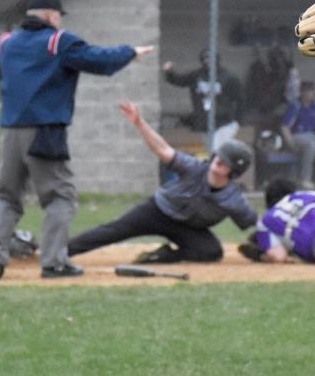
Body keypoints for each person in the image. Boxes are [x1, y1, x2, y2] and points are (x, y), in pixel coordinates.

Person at [0, 0, 154, 280]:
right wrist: (130, 52)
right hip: (44, 131)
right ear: (50, 15)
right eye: (58, 15)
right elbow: (96, 59)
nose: (59, 21)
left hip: (11, 131)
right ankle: (54, 262)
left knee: (8, 196)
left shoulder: (7, 43)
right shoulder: (58, 41)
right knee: (60, 196)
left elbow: (1, 71)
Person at [67, 101, 257, 263]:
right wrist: (140, 123)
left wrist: (266, 248)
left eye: (227, 161)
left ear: (235, 171)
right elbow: (163, 150)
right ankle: (58, 251)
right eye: (219, 156)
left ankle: (164, 255)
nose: (220, 161)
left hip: (187, 228)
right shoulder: (195, 168)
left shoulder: (233, 200)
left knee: (211, 252)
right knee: (112, 231)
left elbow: (254, 223)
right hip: (157, 210)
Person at [163, 48, 243, 151]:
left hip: (224, 121)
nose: (207, 61)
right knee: (211, 149)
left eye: (210, 58)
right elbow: (179, 80)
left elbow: (240, 99)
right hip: (205, 120)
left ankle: (217, 165)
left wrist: (239, 119)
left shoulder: (229, 77)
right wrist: (169, 72)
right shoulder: (197, 75)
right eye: (204, 58)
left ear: (217, 60)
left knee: (216, 149)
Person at [281, 80, 315, 190]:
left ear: (313, 92)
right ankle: (305, 179)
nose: (307, 93)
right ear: (300, 92)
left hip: (313, 135)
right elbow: (285, 126)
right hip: (297, 136)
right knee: (312, 145)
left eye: (310, 91)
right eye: (305, 91)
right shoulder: (295, 105)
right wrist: (289, 142)